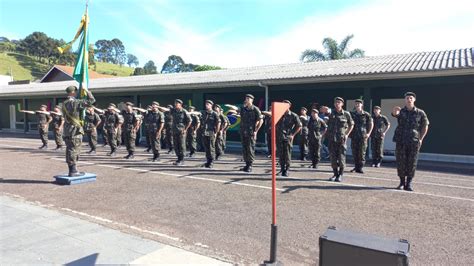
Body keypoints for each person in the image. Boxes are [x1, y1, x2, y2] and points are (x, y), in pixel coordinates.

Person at [392, 92, 429, 191]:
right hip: (401, 140)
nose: (409, 99)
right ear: (405, 100)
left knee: (412, 162)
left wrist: (421, 139)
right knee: (401, 162)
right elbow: (395, 114)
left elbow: (425, 125)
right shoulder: (401, 111)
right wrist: (394, 112)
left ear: (414, 100)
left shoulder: (420, 113)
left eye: (411, 98)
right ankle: (401, 183)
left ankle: (408, 184)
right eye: (407, 98)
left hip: (414, 141)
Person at [61, 85, 95, 177]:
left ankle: (73, 169)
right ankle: (73, 171)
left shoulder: (64, 103)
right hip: (75, 130)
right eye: (76, 91)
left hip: (67, 130)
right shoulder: (75, 103)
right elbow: (91, 101)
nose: (77, 93)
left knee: (69, 149)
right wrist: (87, 91)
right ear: (72, 92)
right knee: (74, 150)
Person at [226, 94, 263, 172]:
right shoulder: (243, 108)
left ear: (252, 100)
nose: (247, 100)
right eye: (246, 98)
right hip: (243, 131)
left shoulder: (255, 109)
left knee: (250, 148)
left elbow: (261, 120)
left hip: (251, 132)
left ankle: (250, 165)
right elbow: (237, 110)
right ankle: (246, 164)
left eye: (249, 99)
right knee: (244, 148)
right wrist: (231, 107)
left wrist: (256, 131)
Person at [326, 97, 354, 182]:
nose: (337, 104)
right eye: (336, 102)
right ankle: (335, 174)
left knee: (341, 158)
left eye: (339, 102)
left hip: (341, 139)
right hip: (332, 139)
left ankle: (340, 175)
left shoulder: (346, 114)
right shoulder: (331, 113)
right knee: (333, 158)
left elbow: (351, 124)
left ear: (342, 104)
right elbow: (326, 121)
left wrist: (347, 134)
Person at [159, 99, 192, 165]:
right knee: (176, 145)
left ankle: (182, 160)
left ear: (180, 104)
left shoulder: (184, 111)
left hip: (181, 131)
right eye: (175, 103)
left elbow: (189, 121)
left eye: (177, 103)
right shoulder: (174, 110)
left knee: (181, 145)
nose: (175, 104)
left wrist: (185, 129)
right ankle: (178, 158)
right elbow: (166, 109)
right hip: (174, 130)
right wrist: (158, 107)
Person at [276, 100, 301, 177]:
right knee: (280, 154)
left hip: (287, 137)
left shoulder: (293, 115)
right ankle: (282, 169)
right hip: (280, 137)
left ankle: (287, 169)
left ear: (289, 106)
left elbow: (299, 126)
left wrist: (293, 135)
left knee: (287, 154)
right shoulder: (279, 114)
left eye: (286, 105)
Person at [349, 99, 373, 174]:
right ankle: (356, 166)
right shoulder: (352, 114)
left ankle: (360, 167)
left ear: (362, 105)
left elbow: (371, 124)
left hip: (363, 136)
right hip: (354, 136)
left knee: (362, 152)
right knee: (355, 152)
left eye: (359, 104)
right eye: (356, 104)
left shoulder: (366, 114)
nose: (357, 105)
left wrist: (369, 133)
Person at [201, 100, 220, 168]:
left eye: (208, 104)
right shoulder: (204, 113)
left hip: (211, 132)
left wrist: (216, 132)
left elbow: (218, 123)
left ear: (211, 105)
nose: (206, 105)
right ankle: (208, 161)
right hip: (205, 132)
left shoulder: (214, 114)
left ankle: (211, 162)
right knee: (206, 147)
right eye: (206, 104)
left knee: (211, 147)